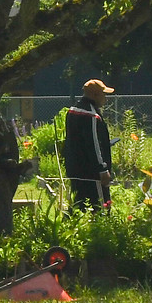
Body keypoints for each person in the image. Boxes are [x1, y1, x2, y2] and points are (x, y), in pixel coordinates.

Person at [61, 79, 115, 211]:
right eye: (103, 94)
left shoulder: (72, 110)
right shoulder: (91, 115)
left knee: (79, 205)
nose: (105, 99)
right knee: (100, 207)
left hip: (75, 168)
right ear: (95, 95)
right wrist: (102, 169)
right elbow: (94, 144)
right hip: (92, 173)